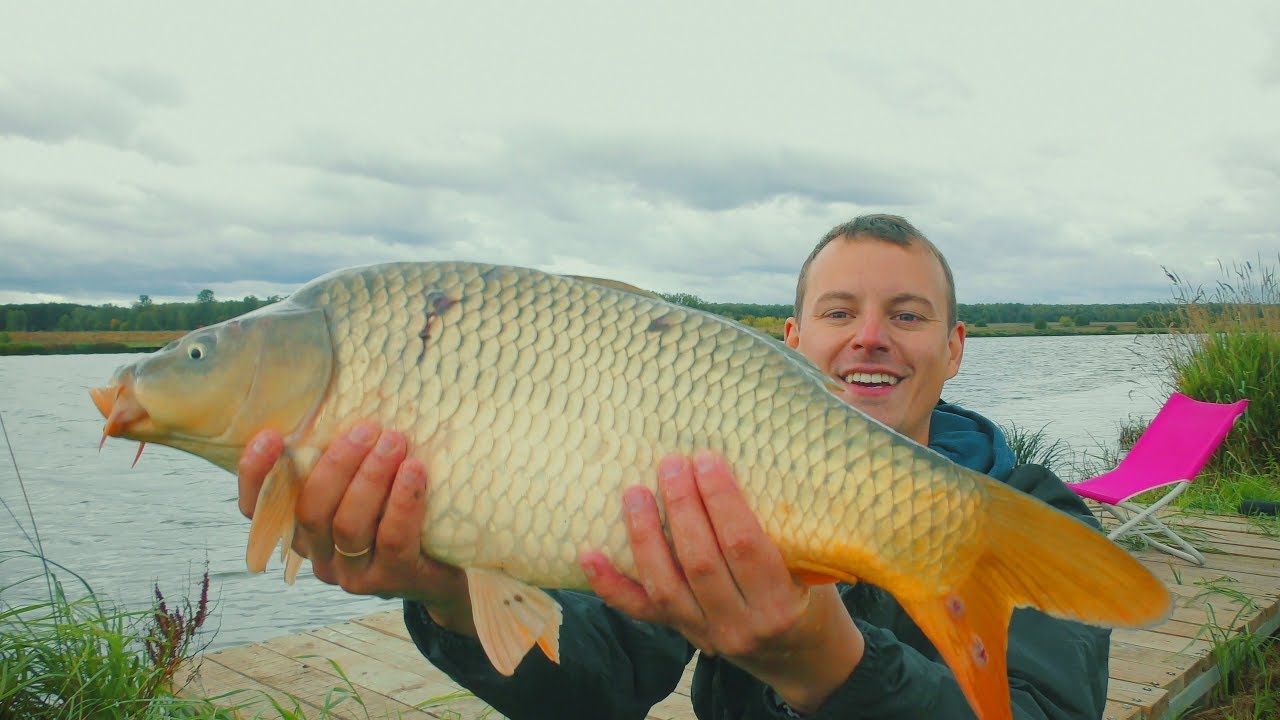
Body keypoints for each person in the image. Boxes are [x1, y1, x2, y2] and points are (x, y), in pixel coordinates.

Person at [238, 214, 1112, 719]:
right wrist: (446, 592)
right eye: (838, 311)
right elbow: (597, 688)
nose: (869, 335)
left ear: (956, 348)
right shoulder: (696, 479)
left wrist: (822, 662)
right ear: (793, 343)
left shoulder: (1033, 516)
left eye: (909, 315)